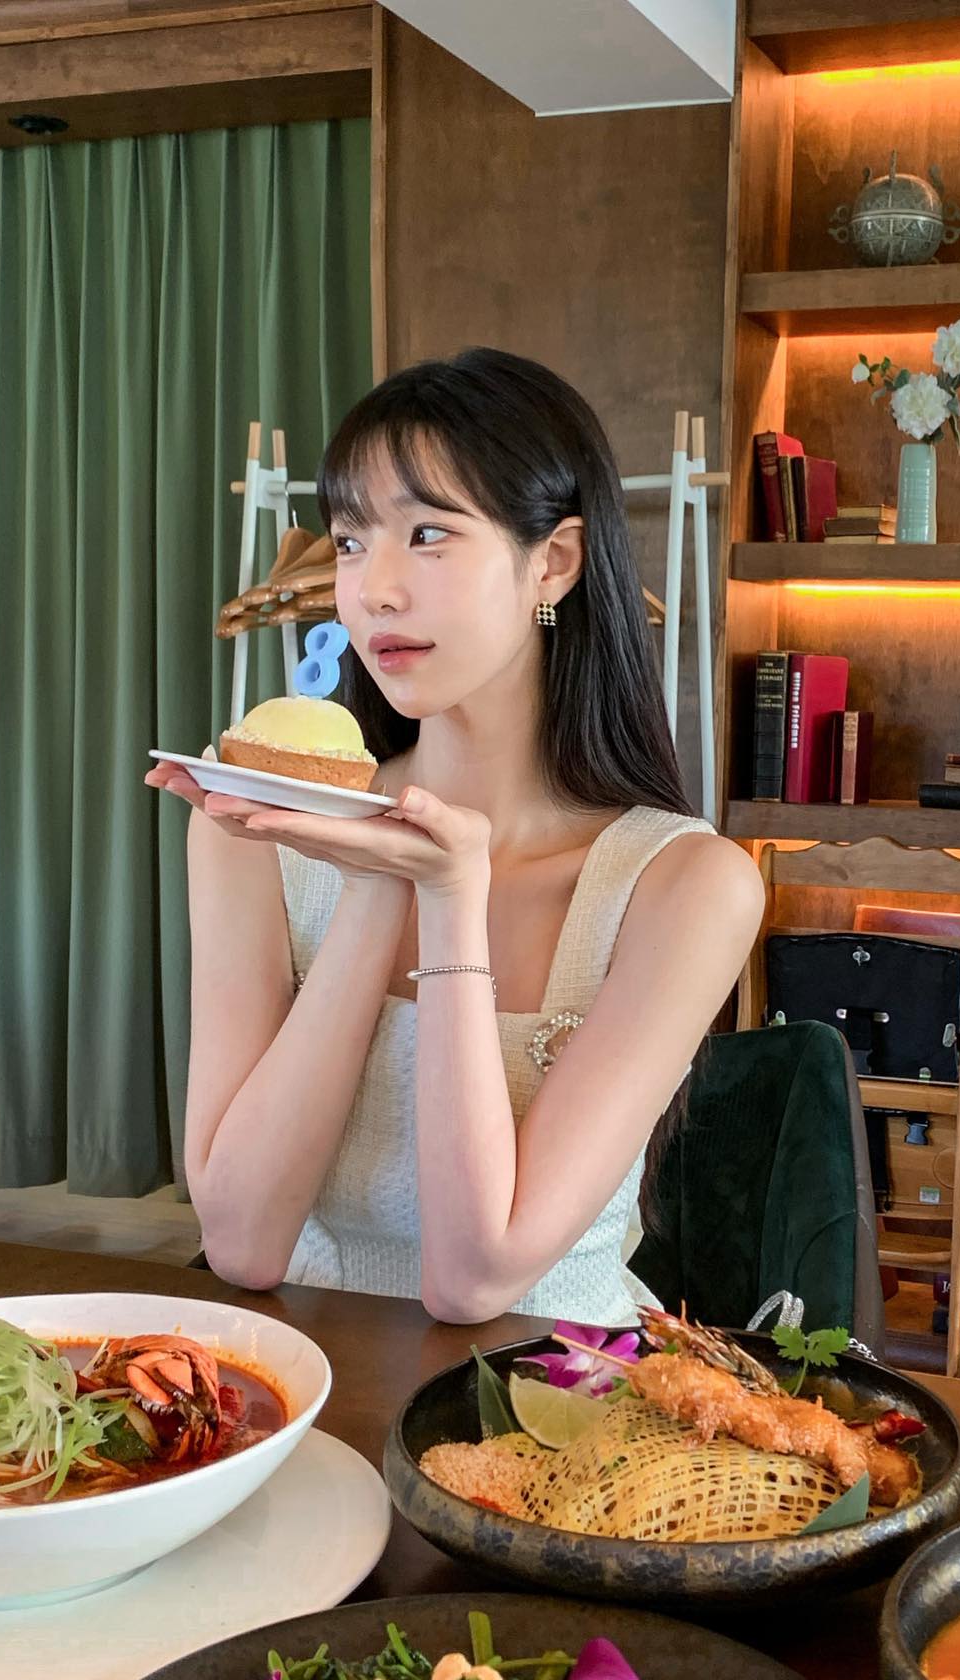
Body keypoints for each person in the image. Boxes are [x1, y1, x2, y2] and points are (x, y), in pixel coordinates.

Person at [147, 349, 763, 1325]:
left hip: (557, 1393)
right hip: (308, 1381)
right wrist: (374, 884)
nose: (374, 591)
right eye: (351, 542)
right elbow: (243, 1243)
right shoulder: (250, 838)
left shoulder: (687, 885)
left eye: (428, 534)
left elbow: (476, 1280)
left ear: (553, 562)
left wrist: (448, 896)